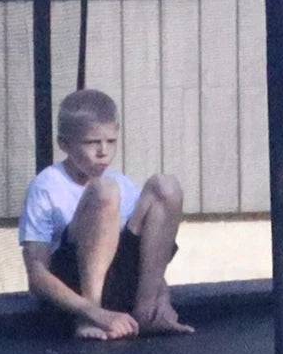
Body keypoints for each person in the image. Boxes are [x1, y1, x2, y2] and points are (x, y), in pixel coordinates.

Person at [19, 88, 191, 339]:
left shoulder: (121, 182)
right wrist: (92, 312)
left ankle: (146, 310)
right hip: (75, 290)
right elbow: (37, 275)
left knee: (166, 187)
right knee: (104, 192)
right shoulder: (46, 186)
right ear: (64, 144)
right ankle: (89, 318)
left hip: (119, 284)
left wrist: (161, 297)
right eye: (91, 143)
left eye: (111, 142)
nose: (103, 152)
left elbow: (148, 250)